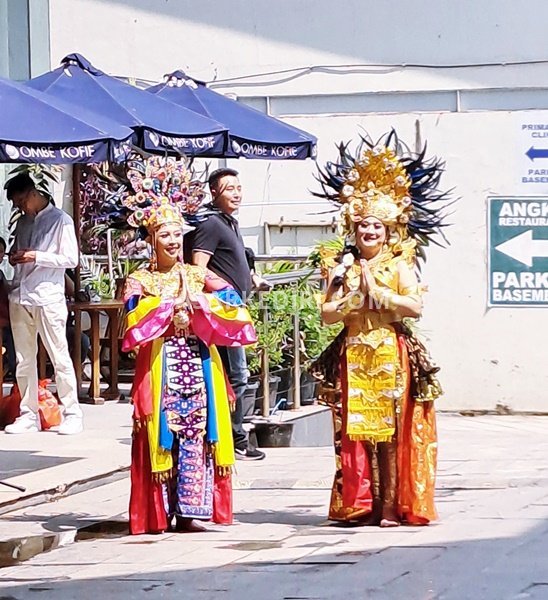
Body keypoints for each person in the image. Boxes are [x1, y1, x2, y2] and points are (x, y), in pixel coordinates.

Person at [312, 133, 448, 527]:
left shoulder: (400, 265)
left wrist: (380, 294)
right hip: (354, 352)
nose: (369, 231)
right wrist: (352, 298)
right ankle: (360, 504)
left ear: (388, 232)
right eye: (363, 226)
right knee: (355, 432)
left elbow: (414, 307)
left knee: (390, 432)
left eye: (376, 226)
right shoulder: (341, 267)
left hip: (391, 351)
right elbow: (327, 315)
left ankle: (390, 505)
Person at [122, 156, 256, 534]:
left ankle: (191, 509)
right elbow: (131, 318)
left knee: (197, 432)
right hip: (161, 365)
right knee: (162, 430)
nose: (173, 241)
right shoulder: (140, 279)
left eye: (177, 234)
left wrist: (201, 304)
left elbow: (233, 301)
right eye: (164, 234)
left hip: (198, 363)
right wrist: (167, 307)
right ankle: (158, 512)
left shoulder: (198, 276)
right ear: (152, 240)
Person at [184, 168, 270, 461]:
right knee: (236, 375)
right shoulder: (210, 224)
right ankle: (233, 438)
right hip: (222, 312)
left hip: (235, 310)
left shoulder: (227, 222)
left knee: (236, 374)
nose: (236, 193)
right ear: (214, 193)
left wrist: (252, 277)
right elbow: (198, 268)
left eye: (238, 188)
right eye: (229, 189)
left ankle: (229, 435)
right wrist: (221, 294)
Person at [4, 173, 83, 435]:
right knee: (23, 359)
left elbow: (70, 259)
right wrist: (17, 258)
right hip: (21, 294)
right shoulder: (23, 222)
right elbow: (21, 253)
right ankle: (28, 414)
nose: (20, 208)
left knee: (58, 355)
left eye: (21, 202)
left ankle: (72, 412)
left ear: (33, 194)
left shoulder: (61, 220)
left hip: (47, 295)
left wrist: (36, 256)